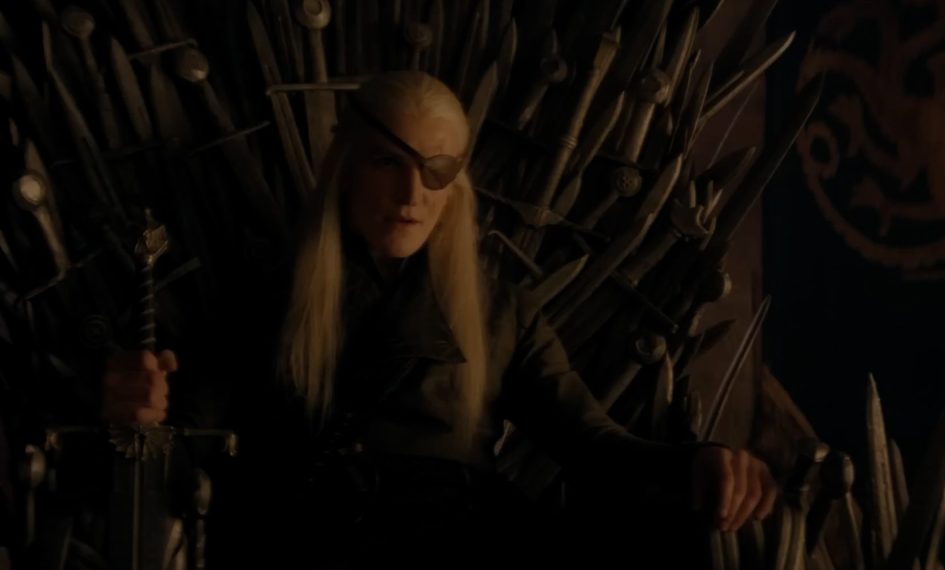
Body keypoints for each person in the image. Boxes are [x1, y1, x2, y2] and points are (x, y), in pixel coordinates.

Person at [101, 71, 777, 567]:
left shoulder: (500, 311)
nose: (411, 194)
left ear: (457, 184)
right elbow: (183, 429)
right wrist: (141, 403)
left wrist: (697, 462)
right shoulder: (268, 297)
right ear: (347, 167)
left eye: (435, 169)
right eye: (387, 162)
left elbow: (591, 442)